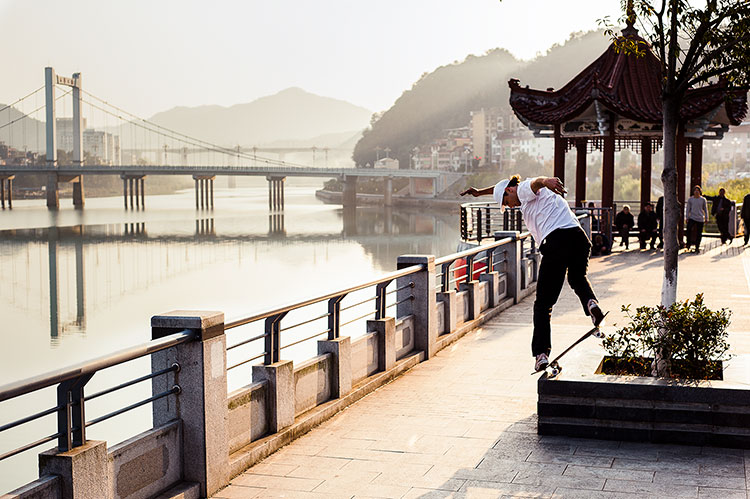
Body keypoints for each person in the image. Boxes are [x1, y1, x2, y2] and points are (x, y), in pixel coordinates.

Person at [461, 175, 605, 372]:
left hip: (556, 242)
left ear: (510, 192)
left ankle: (541, 355)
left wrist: (546, 181)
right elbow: (502, 185)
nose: (510, 207)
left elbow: (535, 182)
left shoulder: (523, 190)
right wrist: (479, 192)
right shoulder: (517, 192)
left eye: (506, 202)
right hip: (579, 238)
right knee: (577, 277)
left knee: (543, 305)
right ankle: (591, 304)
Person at [685, 186, 708, 253]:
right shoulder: (690, 200)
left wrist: (706, 217)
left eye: (698, 190)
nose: (696, 192)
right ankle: (688, 244)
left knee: (699, 233)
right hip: (692, 217)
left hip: (700, 218)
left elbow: (705, 209)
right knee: (688, 230)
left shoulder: (703, 200)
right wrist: (687, 217)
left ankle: (697, 246)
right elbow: (688, 209)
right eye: (695, 190)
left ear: (700, 192)